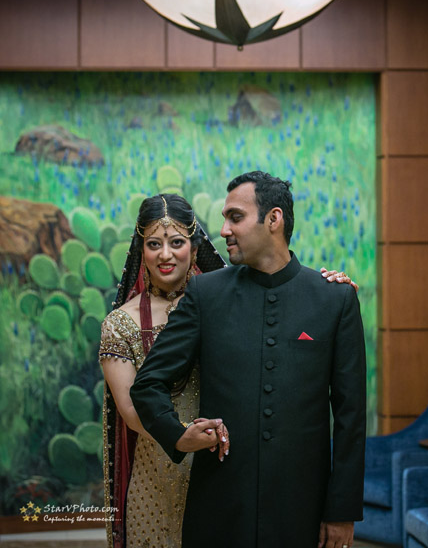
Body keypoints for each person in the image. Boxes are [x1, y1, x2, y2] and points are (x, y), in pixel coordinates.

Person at [130, 173, 366, 548]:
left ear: (273, 219)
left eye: (235, 217)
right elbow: (147, 383)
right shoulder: (206, 294)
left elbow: (351, 418)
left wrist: (341, 511)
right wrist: (178, 436)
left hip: (302, 509)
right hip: (218, 507)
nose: (224, 230)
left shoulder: (334, 299)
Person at [99, 194, 228, 548]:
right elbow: (130, 412)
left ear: (195, 248)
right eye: (154, 244)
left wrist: (330, 286)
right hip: (155, 478)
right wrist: (182, 437)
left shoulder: (224, 306)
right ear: (141, 250)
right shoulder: (120, 324)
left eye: (177, 243)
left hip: (220, 466)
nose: (165, 255)